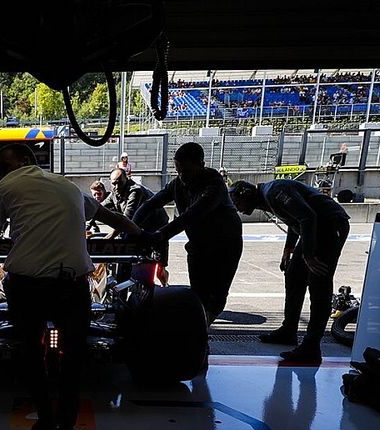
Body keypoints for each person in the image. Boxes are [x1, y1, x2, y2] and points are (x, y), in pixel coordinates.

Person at [0, 144, 143, 430]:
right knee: (73, 362)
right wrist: (143, 233)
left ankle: (46, 424)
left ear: (25, 161)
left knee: (31, 357)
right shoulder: (69, 186)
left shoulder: (6, 186)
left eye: (2, 165)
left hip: (27, 286)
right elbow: (115, 219)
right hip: (72, 285)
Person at [229, 179, 350, 363]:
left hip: (330, 224)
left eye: (238, 203)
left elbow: (307, 216)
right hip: (316, 227)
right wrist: (289, 249)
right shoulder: (270, 196)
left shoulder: (275, 191)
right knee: (294, 274)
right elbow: (296, 218)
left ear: (247, 194)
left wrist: (308, 255)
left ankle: (311, 346)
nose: (238, 209)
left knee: (319, 282)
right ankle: (289, 330)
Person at [132, 142, 243, 327]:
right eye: (178, 171)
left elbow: (191, 216)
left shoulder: (214, 184)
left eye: (187, 171)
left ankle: (203, 329)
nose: (182, 177)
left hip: (225, 246)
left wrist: (160, 235)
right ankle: (199, 330)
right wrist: (133, 229)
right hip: (198, 245)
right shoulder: (177, 184)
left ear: (201, 164)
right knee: (198, 293)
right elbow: (150, 204)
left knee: (217, 295)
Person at [107, 168, 170, 285]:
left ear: (126, 178)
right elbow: (100, 209)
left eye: (119, 182)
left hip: (155, 229)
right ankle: (125, 284)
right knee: (125, 256)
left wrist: (109, 237)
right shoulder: (114, 193)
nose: (116, 187)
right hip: (137, 228)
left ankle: (164, 286)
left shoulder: (135, 191)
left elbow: (126, 219)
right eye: (113, 183)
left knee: (158, 265)